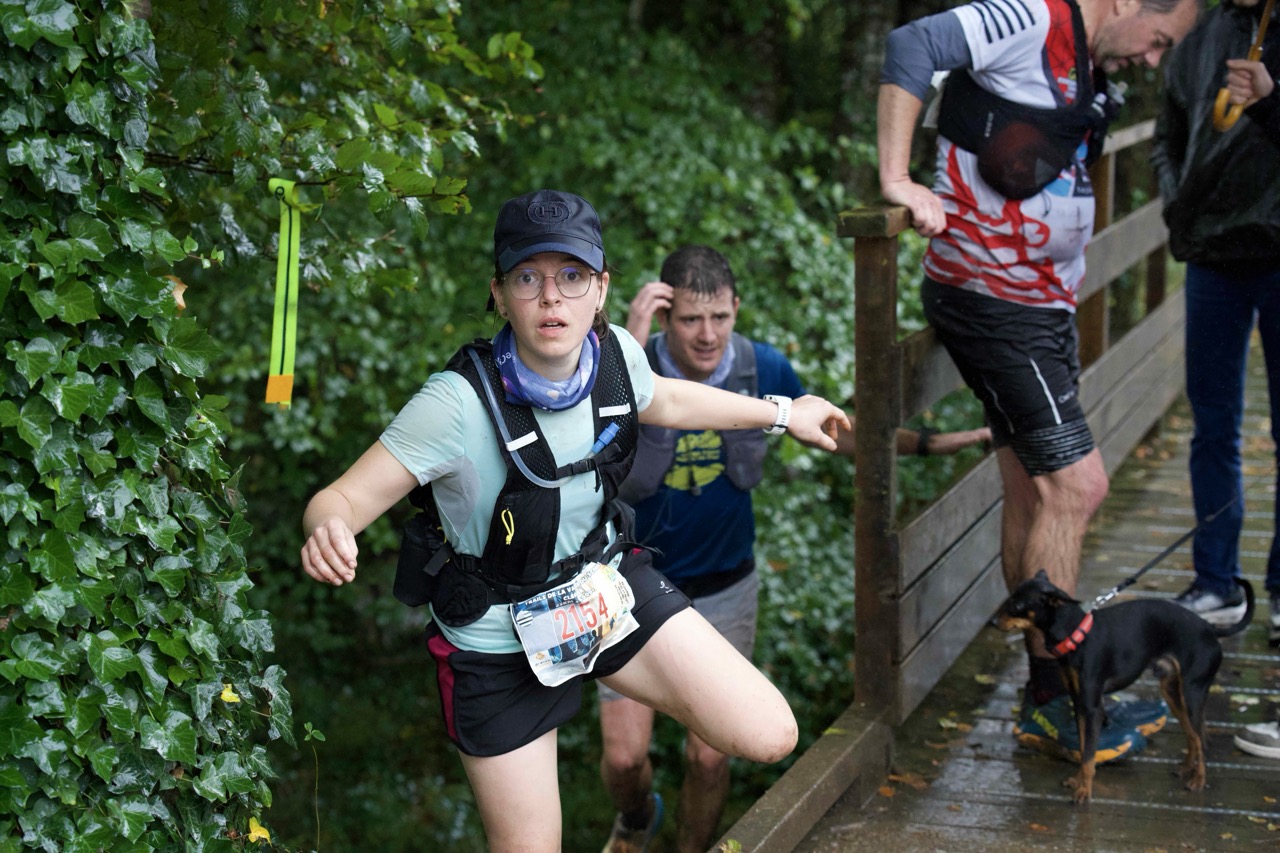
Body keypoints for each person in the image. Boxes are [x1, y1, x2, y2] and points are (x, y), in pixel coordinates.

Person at [299, 190, 853, 851]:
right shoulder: (453, 404)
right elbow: (338, 499)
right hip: (495, 638)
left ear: (601, 290)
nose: (551, 298)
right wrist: (328, 527)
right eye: (527, 278)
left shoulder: (616, 356)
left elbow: (667, 399)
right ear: (499, 294)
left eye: (571, 276)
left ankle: (607, 688)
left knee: (769, 732)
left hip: (599, 590)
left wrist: (785, 412)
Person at [878, 0, 1201, 764]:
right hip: (997, 302)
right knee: (1077, 487)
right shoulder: (1033, 17)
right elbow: (914, 43)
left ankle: (1045, 698)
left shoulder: (1086, 60)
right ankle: (1059, 700)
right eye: (1158, 40)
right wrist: (896, 178)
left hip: (1038, 308)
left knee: (1031, 490)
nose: (1153, 60)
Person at [597, 245, 991, 853]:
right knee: (625, 759)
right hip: (629, 586)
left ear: (737, 308)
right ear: (666, 316)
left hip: (724, 584)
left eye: (720, 317)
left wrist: (934, 443)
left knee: (710, 756)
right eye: (691, 320)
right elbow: (583, 451)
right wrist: (626, 339)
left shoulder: (761, 369)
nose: (707, 335)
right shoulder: (623, 365)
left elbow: (837, 432)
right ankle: (635, 818)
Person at [1152, 0, 1280, 646]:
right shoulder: (1199, 27)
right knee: (1212, 426)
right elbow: (1166, 135)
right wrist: (1176, 202)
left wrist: (1271, 99)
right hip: (1211, 254)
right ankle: (1216, 583)